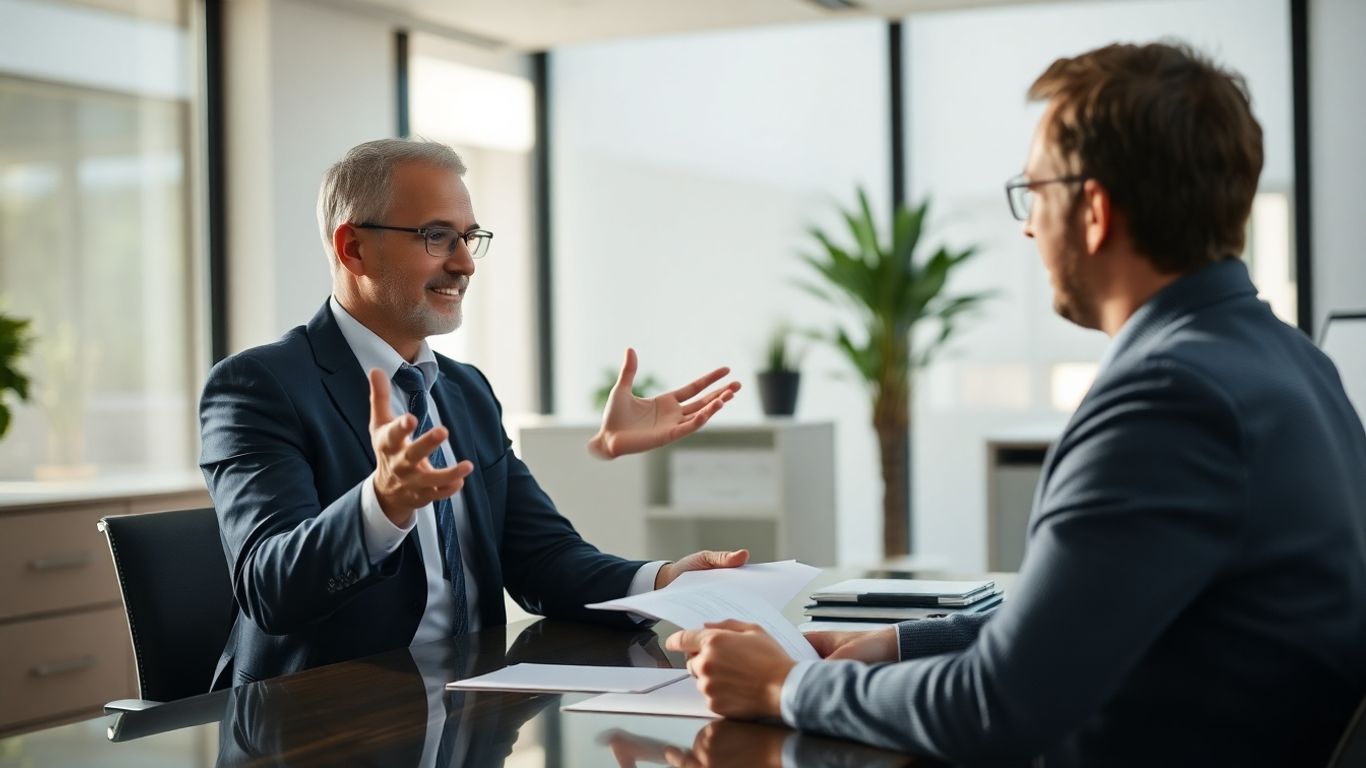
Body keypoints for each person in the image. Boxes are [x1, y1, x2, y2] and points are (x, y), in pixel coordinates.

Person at [667, 41, 1366, 766]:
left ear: (1093, 210)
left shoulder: (1169, 399)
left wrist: (788, 686)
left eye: (1035, 191)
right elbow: (1108, 611)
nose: (1028, 226)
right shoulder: (1294, 362)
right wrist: (898, 644)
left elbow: (997, 710)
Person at [200, 138, 746, 691]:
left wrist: (666, 582)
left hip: (468, 705)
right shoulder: (258, 386)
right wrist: (382, 504)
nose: (463, 264)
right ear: (354, 248)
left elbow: (541, 558)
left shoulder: (466, 390)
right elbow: (270, 590)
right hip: (318, 720)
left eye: (468, 238)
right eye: (436, 236)